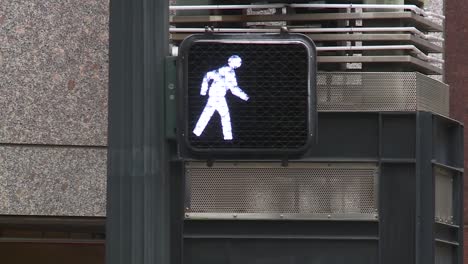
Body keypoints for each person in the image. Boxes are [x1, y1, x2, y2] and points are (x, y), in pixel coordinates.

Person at [193, 55, 249, 140]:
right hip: (219, 98)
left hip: (213, 97)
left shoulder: (219, 70)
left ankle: (196, 133)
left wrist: (203, 91)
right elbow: (234, 89)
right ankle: (228, 138)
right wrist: (245, 97)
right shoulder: (230, 72)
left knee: (206, 115)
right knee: (225, 117)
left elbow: (207, 75)